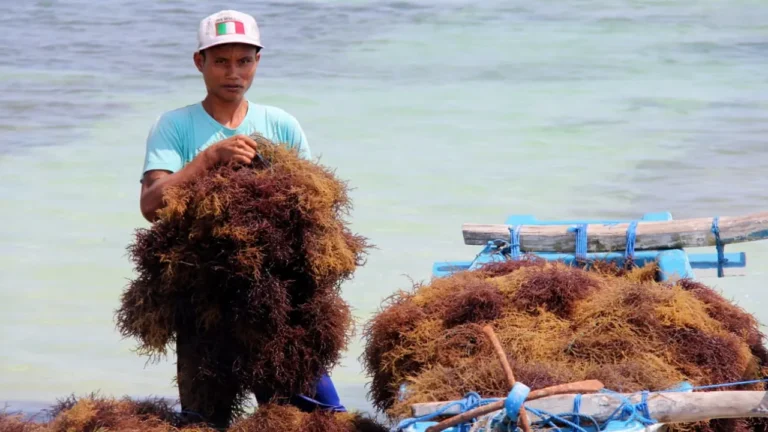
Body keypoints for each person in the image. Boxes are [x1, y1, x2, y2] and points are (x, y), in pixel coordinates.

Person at [137, 9, 346, 428]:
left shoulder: (281, 124)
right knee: (203, 420)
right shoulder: (174, 126)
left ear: (257, 61)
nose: (234, 72)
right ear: (200, 62)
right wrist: (210, 158)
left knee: (319, 417)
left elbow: (315, 204)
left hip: (277, 302)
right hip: (202, 296)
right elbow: (152, 206)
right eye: (221, 61)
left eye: (244, 60)